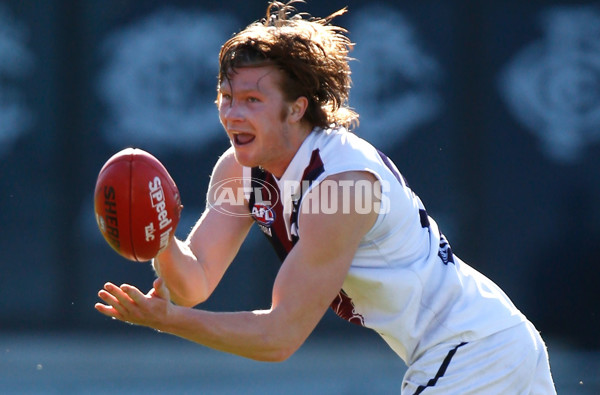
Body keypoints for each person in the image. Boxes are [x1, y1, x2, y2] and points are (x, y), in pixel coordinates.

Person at [95, 1, 556, 393]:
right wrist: (161, 238)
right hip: (486, 347)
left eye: (252, 100)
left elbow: (279, 336)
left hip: (475, 351)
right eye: (226, 96)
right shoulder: (239, 169)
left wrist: (167, 320)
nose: (232, 113)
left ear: (297, 108)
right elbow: (193, 281)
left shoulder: (342, 186)